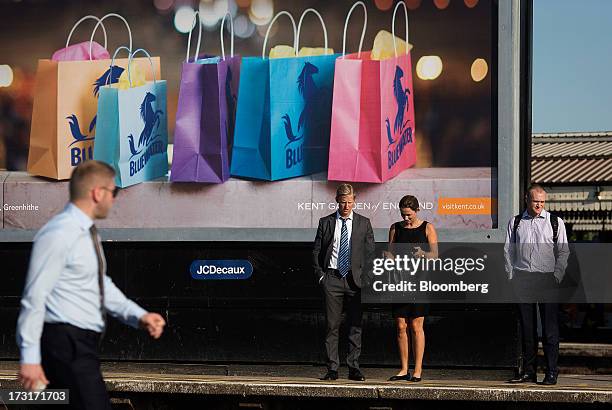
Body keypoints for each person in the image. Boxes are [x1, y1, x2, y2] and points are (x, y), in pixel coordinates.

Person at [16, 160, 166, 409]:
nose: (114, 199)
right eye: (113, 192)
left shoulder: (84, 233)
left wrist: (139, 315)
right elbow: (35, 295)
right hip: (67, 345)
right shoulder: (60, 233)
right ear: (98, 193)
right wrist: (30, 358)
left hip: (79, 344)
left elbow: (98, 284)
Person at [504, 183, 569, 386]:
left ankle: (551, 372)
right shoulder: (515, 222)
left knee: (550, 329)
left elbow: (564, 250)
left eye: (542, 202)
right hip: (523, 278)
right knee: (527, 328)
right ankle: (529, 372)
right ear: (527, 199)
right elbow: (508, 250)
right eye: (535, 201)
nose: (539, 205)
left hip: (547, 279)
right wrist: (511, 275)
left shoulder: (555, 222)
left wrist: (557, 275)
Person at [312, 183, 375, 381]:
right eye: (343, 202)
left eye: (350, 202)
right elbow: (316, 251)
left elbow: (370, 254)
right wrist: (321, 276)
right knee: (332, 325)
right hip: (332, 279)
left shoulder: (364, 223)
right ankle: (332, 368)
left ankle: (353, 367)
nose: (346, 206)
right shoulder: (326, 222)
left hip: (355, 281)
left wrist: (366, 278)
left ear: (354, 200)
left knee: (355, 325)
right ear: (337, 201)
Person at [386, 195, 437, 382]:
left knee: (416, 325)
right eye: (403, 215)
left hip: (419, 280)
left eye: (409, 215)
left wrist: (423, 254)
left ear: (416, 210)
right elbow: (390, 254)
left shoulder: (427, 227)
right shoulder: (395, 228)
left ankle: (417, 369)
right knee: (400, 325)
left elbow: (435, 256)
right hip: (400, 280)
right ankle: (403, 368)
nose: (406, 218)